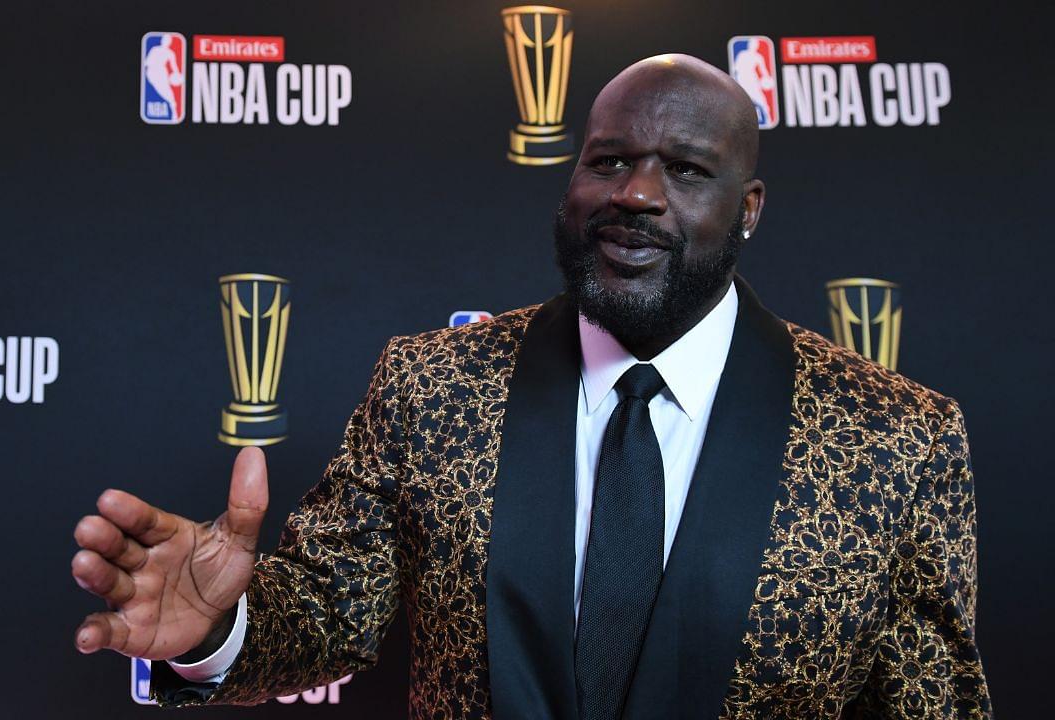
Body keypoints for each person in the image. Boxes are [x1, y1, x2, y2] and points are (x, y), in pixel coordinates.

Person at [71, 55, 991, 719]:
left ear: (748, 208)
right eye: (610, 160)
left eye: (685, 169)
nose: (637, 192)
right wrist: (215, 629)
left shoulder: (893, 436)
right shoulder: (432, 386)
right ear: (573, 179)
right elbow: (326, 617)